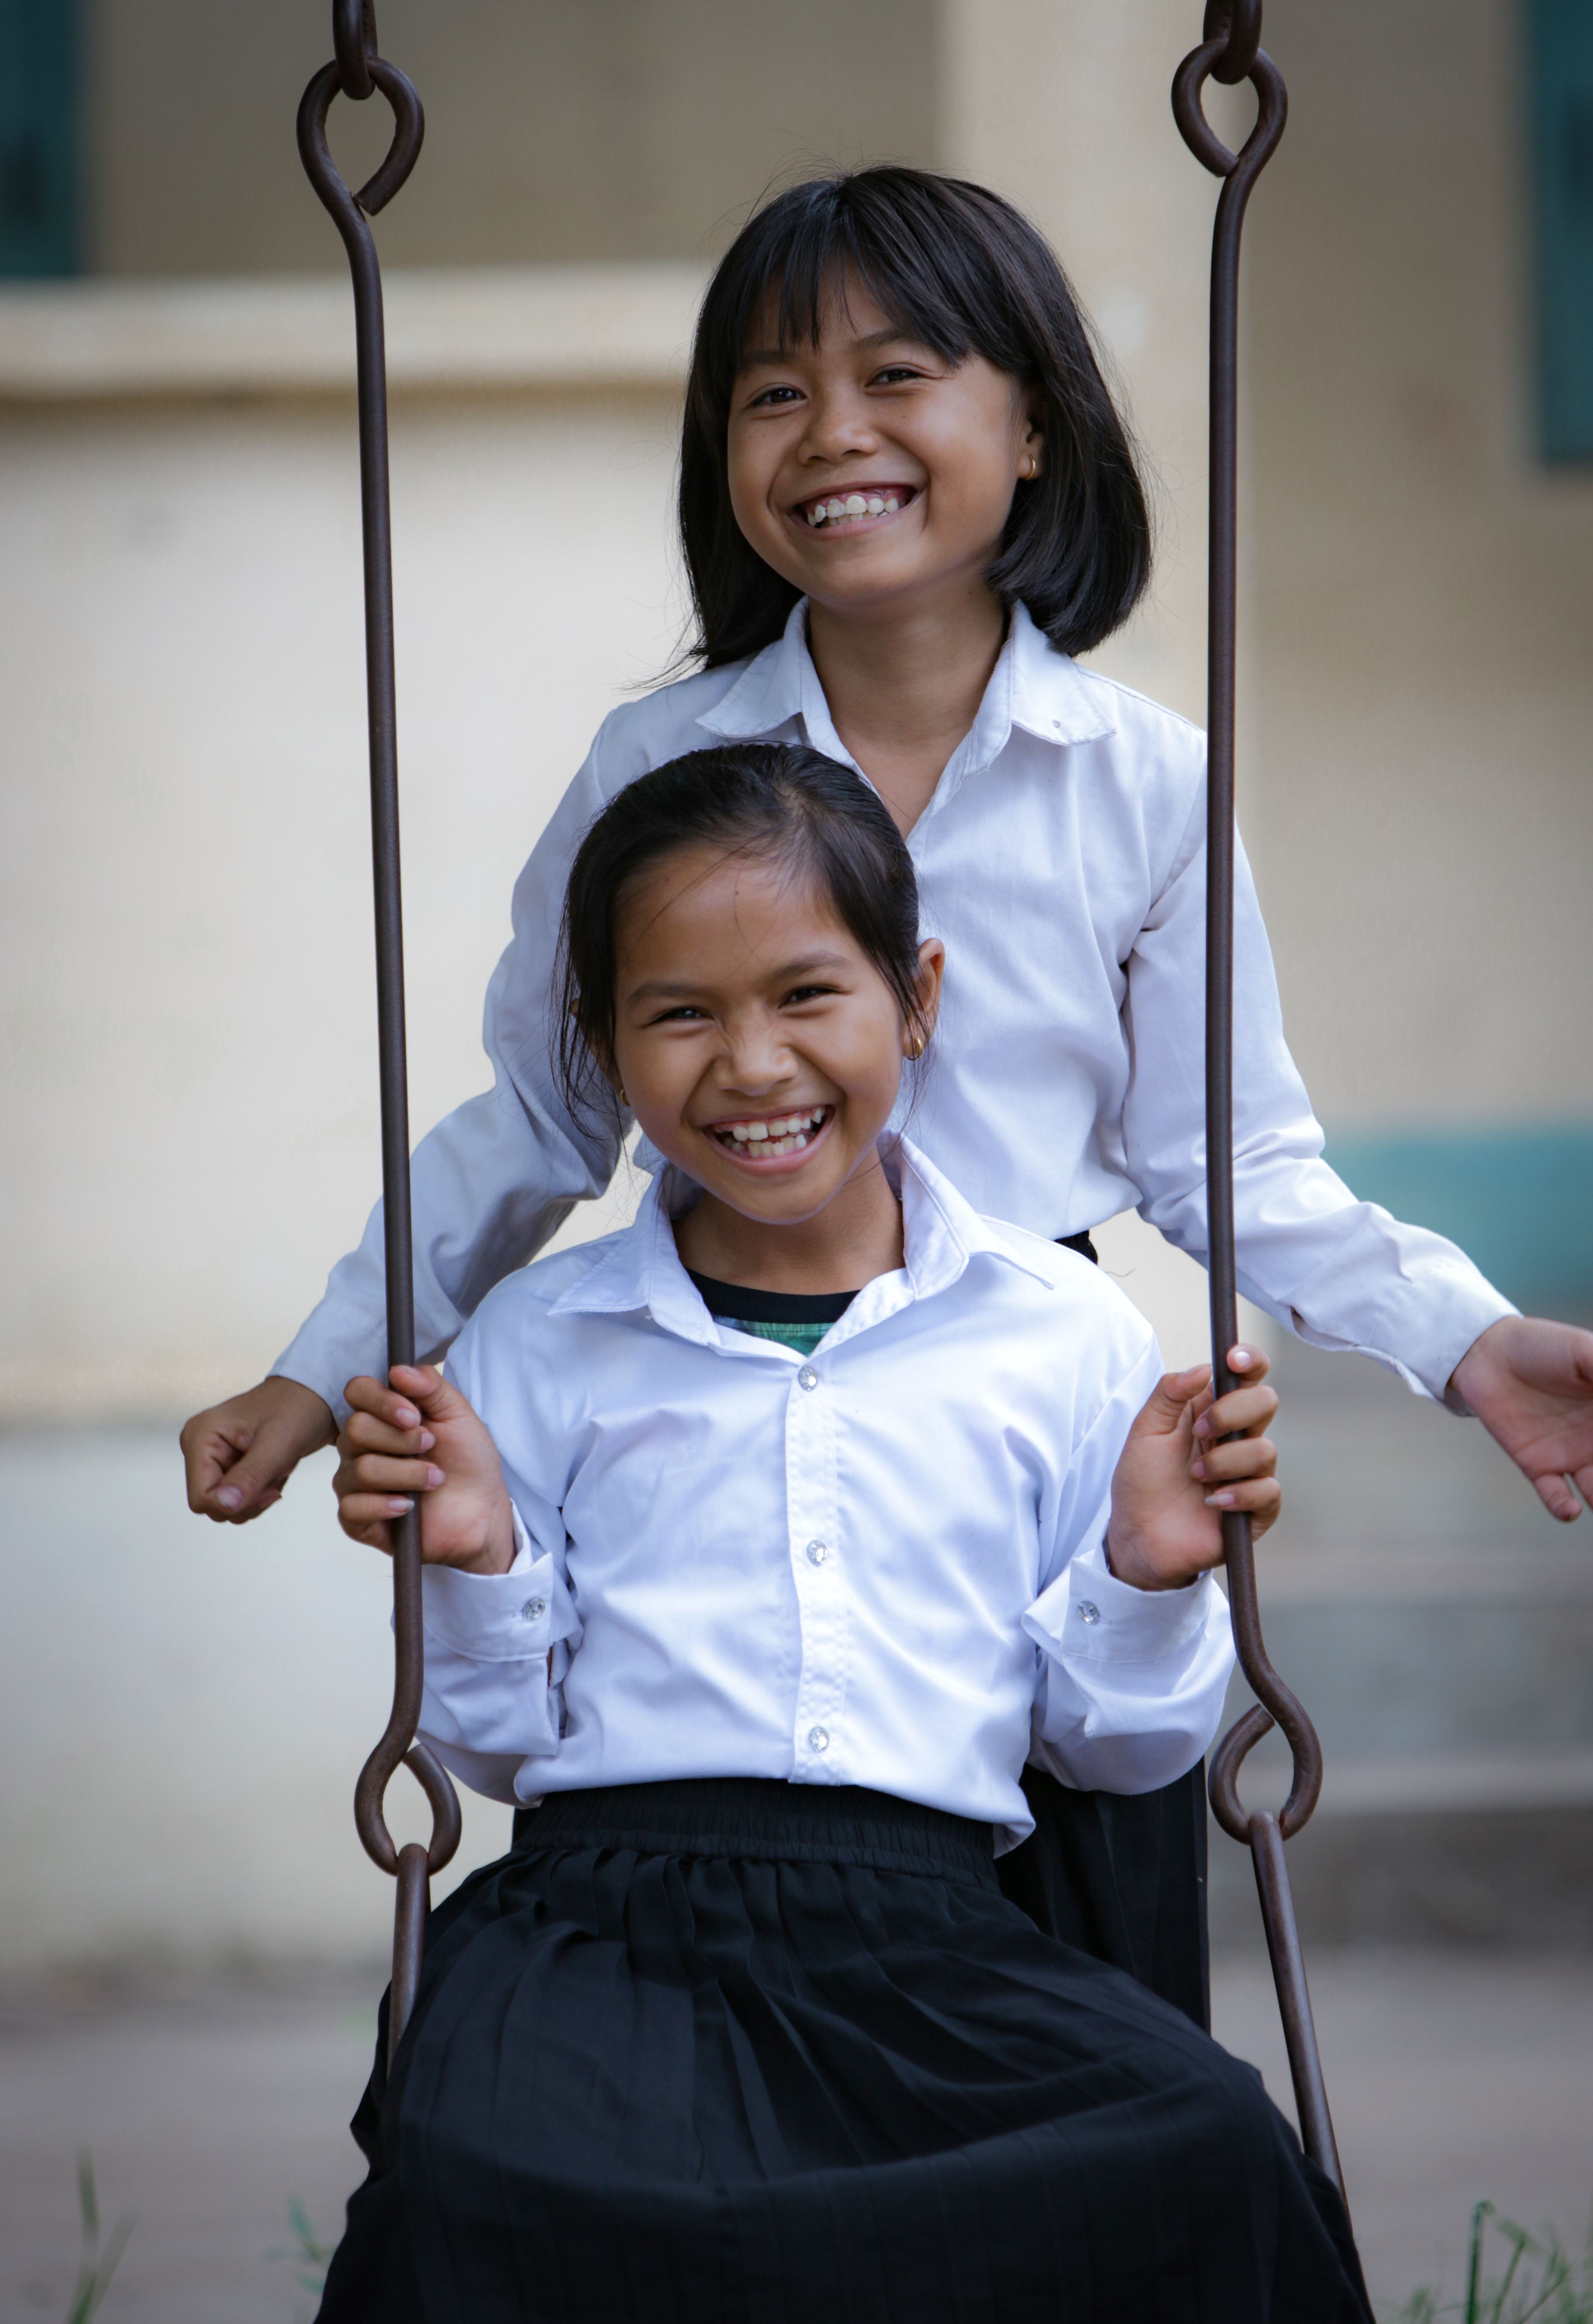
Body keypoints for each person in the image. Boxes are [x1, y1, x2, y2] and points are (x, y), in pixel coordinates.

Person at [183, 165, 1593, 2001]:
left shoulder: (1141, 780)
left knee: (1088, 1989)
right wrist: (319, 1373)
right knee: (700, 1981)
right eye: (773, 392)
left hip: (1033, 1437)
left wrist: (1474, 1346)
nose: (831, 433)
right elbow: (543, 1114)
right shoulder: (660, 760)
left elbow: (1226, 1158)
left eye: (898, 374)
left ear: (1033, 423)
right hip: (718, 1419)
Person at [316, 741, 1370, 2323]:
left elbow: (1118, 1752)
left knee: (1214, 2149)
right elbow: (491, 1745)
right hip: (601, 1920)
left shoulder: (1060, 1330)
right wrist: (478, 1560)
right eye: (680, 1013)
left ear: (917, 997)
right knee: (474, 2189)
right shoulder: (538, 1338)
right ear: (601, 1042)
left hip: (931, 1937)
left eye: (809, 996)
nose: (753, 1065)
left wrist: (1145, 1575)